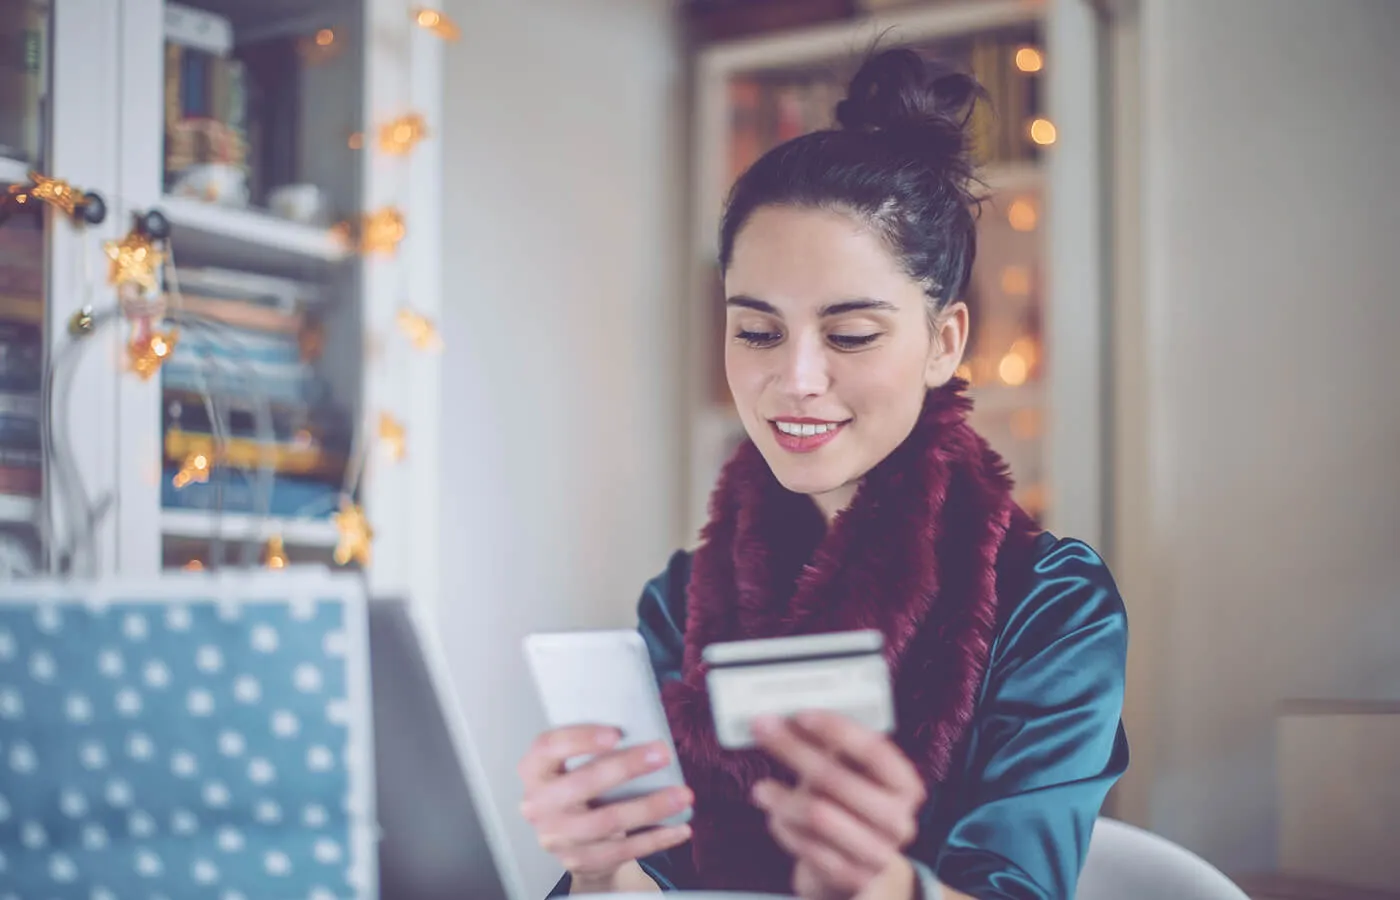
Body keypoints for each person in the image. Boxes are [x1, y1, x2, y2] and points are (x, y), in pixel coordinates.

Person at [517, 47, 1128, 900]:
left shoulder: (1050, 603)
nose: (795, 378)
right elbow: (652, 882)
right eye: (759, 332)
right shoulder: (681, 601)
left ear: (943, 343)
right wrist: (602, 865)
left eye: (850, 334)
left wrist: (881, 885)